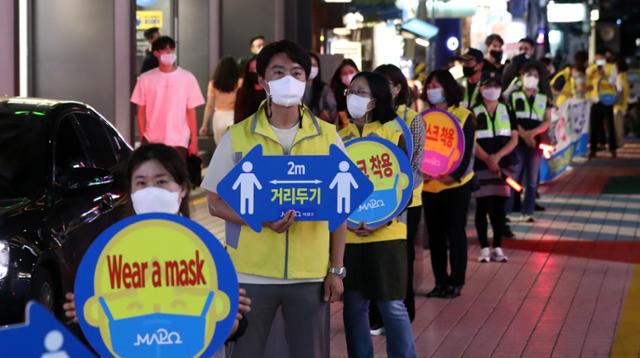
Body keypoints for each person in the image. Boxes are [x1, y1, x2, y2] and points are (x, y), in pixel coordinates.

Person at [201, 40, 345, 358]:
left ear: (306, 80)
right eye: (278, 72)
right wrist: (258, 219)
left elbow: (341, 208)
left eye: (296, 72)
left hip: (310, 273)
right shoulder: (238, 136)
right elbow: (214, 202)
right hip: (250, 273)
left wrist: (336, 269)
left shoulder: (327, 136)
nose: (288, 80)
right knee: (246, 351)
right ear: (263, 81)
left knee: (309, 352)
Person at [60, 144, 252, 358]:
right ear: (131, 192)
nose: (150, 191)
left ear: (182, 189)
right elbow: (102, 326)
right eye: (141, 183)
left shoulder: (206, 250)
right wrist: (83, 315)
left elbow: (235, 326)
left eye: (161, 181)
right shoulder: (110, 254)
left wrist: (231, 322)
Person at [338, 71, 416, 358]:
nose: (352, 97)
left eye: (360, 91)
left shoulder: (394, 132)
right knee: (353, 305)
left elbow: (406, 184)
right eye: (349, 91)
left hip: (388, 232)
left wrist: (382, 219)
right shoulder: (339, 137)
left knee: (391, 305)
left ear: (375, 99)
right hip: (347, 236)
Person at [373, 64, 425, 325]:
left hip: (407, 200)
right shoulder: (370, 117)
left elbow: (414, 162)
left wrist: (400, 193)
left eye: (387, 84)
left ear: (398, 88)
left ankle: (405, 312)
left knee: (402, 258)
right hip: (373, 201)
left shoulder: (412, 118)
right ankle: (377, 317)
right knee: (376, 256)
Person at [421, 69, 476, 299]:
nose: (432, 89)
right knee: (435, 236)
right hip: (429, 184)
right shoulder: (423, 117)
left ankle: (456, 281)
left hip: (455, 185)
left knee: (455, 233)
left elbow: (467, 152)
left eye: (437, 85)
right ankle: (440, 281)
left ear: (448, 87)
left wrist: (452, 176)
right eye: (430, 85)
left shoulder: (464, 115)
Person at [130, 36, 204, 162]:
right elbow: (140, 110)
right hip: (152, 138)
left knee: (175, 177)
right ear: (156, 53)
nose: (169, 52)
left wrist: (194, 140)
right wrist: (143, 135)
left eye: (171, 49)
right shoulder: (145, 79)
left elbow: (191, 111)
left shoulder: (187, 78)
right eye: (164, 49)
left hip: (179, 139)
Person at [472, 71, 518, 263]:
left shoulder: (507, 109)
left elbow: (514, 138)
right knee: (482, 206)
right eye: (487, 85)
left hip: (503, 164)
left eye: (495, 86)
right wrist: (488, 159)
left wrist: (497, 157)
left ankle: (497, 247)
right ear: (480, 89)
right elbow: (471, 140)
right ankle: (484, 248)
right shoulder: (473, 111)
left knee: (500, 208)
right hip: (481, 165)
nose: (492, 90)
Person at [506, 62, 552, 223]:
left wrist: (532, 134)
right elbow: (510, 119)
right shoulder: (513, 96)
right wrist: (524, 135)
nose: (532, 78)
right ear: (521, 77)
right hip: (517, 141)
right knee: (513, 176)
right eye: (528, 75)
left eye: (535, 76)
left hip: (536, 142)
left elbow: (547, 121)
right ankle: (507, 211)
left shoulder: (543, 98)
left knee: (532, 179)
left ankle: (528, 211)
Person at [586, 49, 618, 158]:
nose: (598, 61)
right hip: (595, 100)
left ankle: (613, 149)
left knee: (610, 125)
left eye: (601, 59)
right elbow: (587, 82)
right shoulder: (591, 69)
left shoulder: (611, 67)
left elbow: (613, 82)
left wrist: (605, 75)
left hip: (607, 100)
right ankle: (593, 149)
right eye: (597, 59)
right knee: (594, 125)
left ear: (604, 58)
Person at [200, 57, 240, 144]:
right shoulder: (239, 83)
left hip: (219, 117)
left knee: (220, 148)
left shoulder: (213, 84)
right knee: (235, 147)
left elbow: (209, 106)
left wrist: (204, 125)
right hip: (235, 116)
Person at [303, 52, 338, 124]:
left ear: (318, 69)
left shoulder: (324, 88)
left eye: (314, 65)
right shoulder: (295, 86)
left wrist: (327, 114)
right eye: (309, 64)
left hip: (318, 126)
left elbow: (333, 109)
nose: (311, 68)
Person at [234, 56, 266, 123]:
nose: (255, 72)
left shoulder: (273, 93)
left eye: (257, 69)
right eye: (252, 70)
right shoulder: (242, 92)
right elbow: (238, 117)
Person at [330, 59, 360, 128]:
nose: (348, 75)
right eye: (344, 74)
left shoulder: (365, 92)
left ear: (357, 72)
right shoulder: (336, 95)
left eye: (351, 72)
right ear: (340, 77)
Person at [614, 57, 629, 149]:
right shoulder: (624, 76)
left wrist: (613, 100)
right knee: (620, 125)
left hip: (618, 105)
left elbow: (619, 91)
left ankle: (619, 143)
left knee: (618, 125)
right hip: (623, 104)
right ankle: (620, 142)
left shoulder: (619, 77)